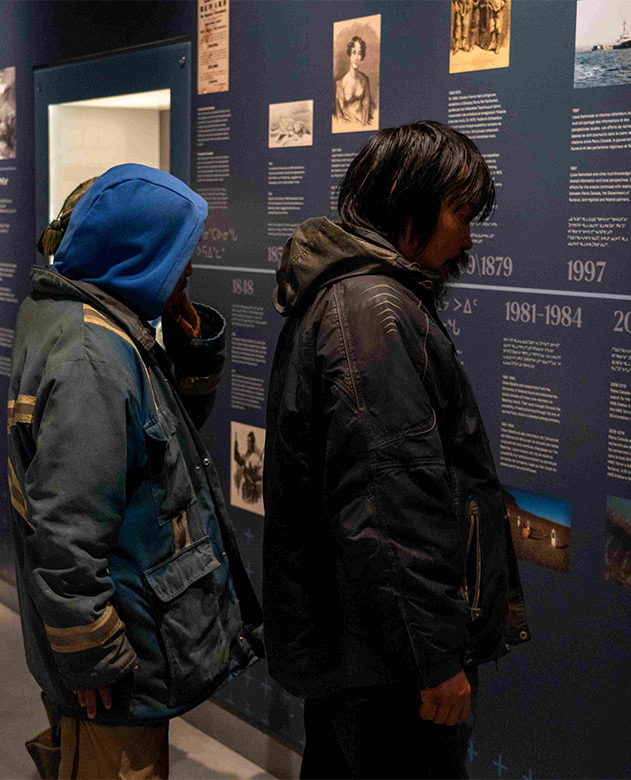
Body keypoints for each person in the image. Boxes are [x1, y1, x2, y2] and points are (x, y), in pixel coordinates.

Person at [263, 121, 530, 779]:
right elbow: (391, 507)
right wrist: (435, 658)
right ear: (404, 201)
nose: (468, 238)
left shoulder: (358, 296)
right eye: (460, 215)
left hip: (363, 650)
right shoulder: (373, 311)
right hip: (387, 665)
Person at [8, 164, 263, 780]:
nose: (191, 269)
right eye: (181, 254)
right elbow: (69, 525)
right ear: (139, 253)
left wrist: (191, 352)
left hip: (125, 620)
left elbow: (156, 443)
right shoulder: (95, 359)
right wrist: (90, 649)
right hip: (120, 638)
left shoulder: (81, 318)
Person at [334, 35, 374, 127]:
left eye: (359, 53)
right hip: (346, 126)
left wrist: (364, 125)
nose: (356, 57)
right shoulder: (340, 83)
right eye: (353, 52)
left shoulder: (365, 80)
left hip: (364, 125)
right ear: (349, 54)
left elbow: (366, 106)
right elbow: (339, 117)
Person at [233, 431, 263, 505]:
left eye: (251, 441)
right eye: (248, 441)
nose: (249, 443)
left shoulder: (256, 457)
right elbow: (238, 459)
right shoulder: (246, 457)